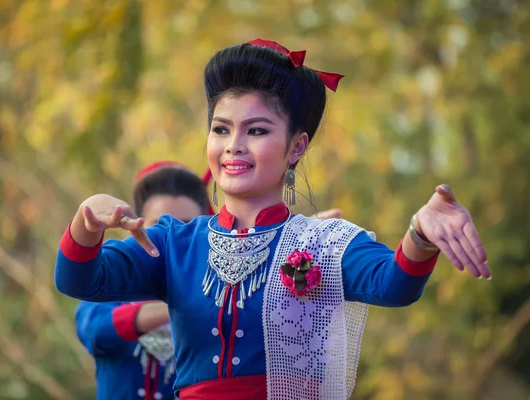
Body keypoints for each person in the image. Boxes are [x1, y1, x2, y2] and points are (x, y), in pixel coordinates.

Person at [54, 39, 490, 400]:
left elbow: (393, 284)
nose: (234, 146)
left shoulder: (326, 242)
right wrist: (87, 222)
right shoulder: (174, 242)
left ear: (296, 147)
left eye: (257, 131)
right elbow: (79, 281)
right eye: (221, 129)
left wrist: (420, 233)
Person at [74, 162, 212, 400]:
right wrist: (180, 306)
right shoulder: (114, 282)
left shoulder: (219, 296)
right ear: (137, 227)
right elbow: (94, 329)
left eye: (187, 227)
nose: (173, 238)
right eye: (160, 226)